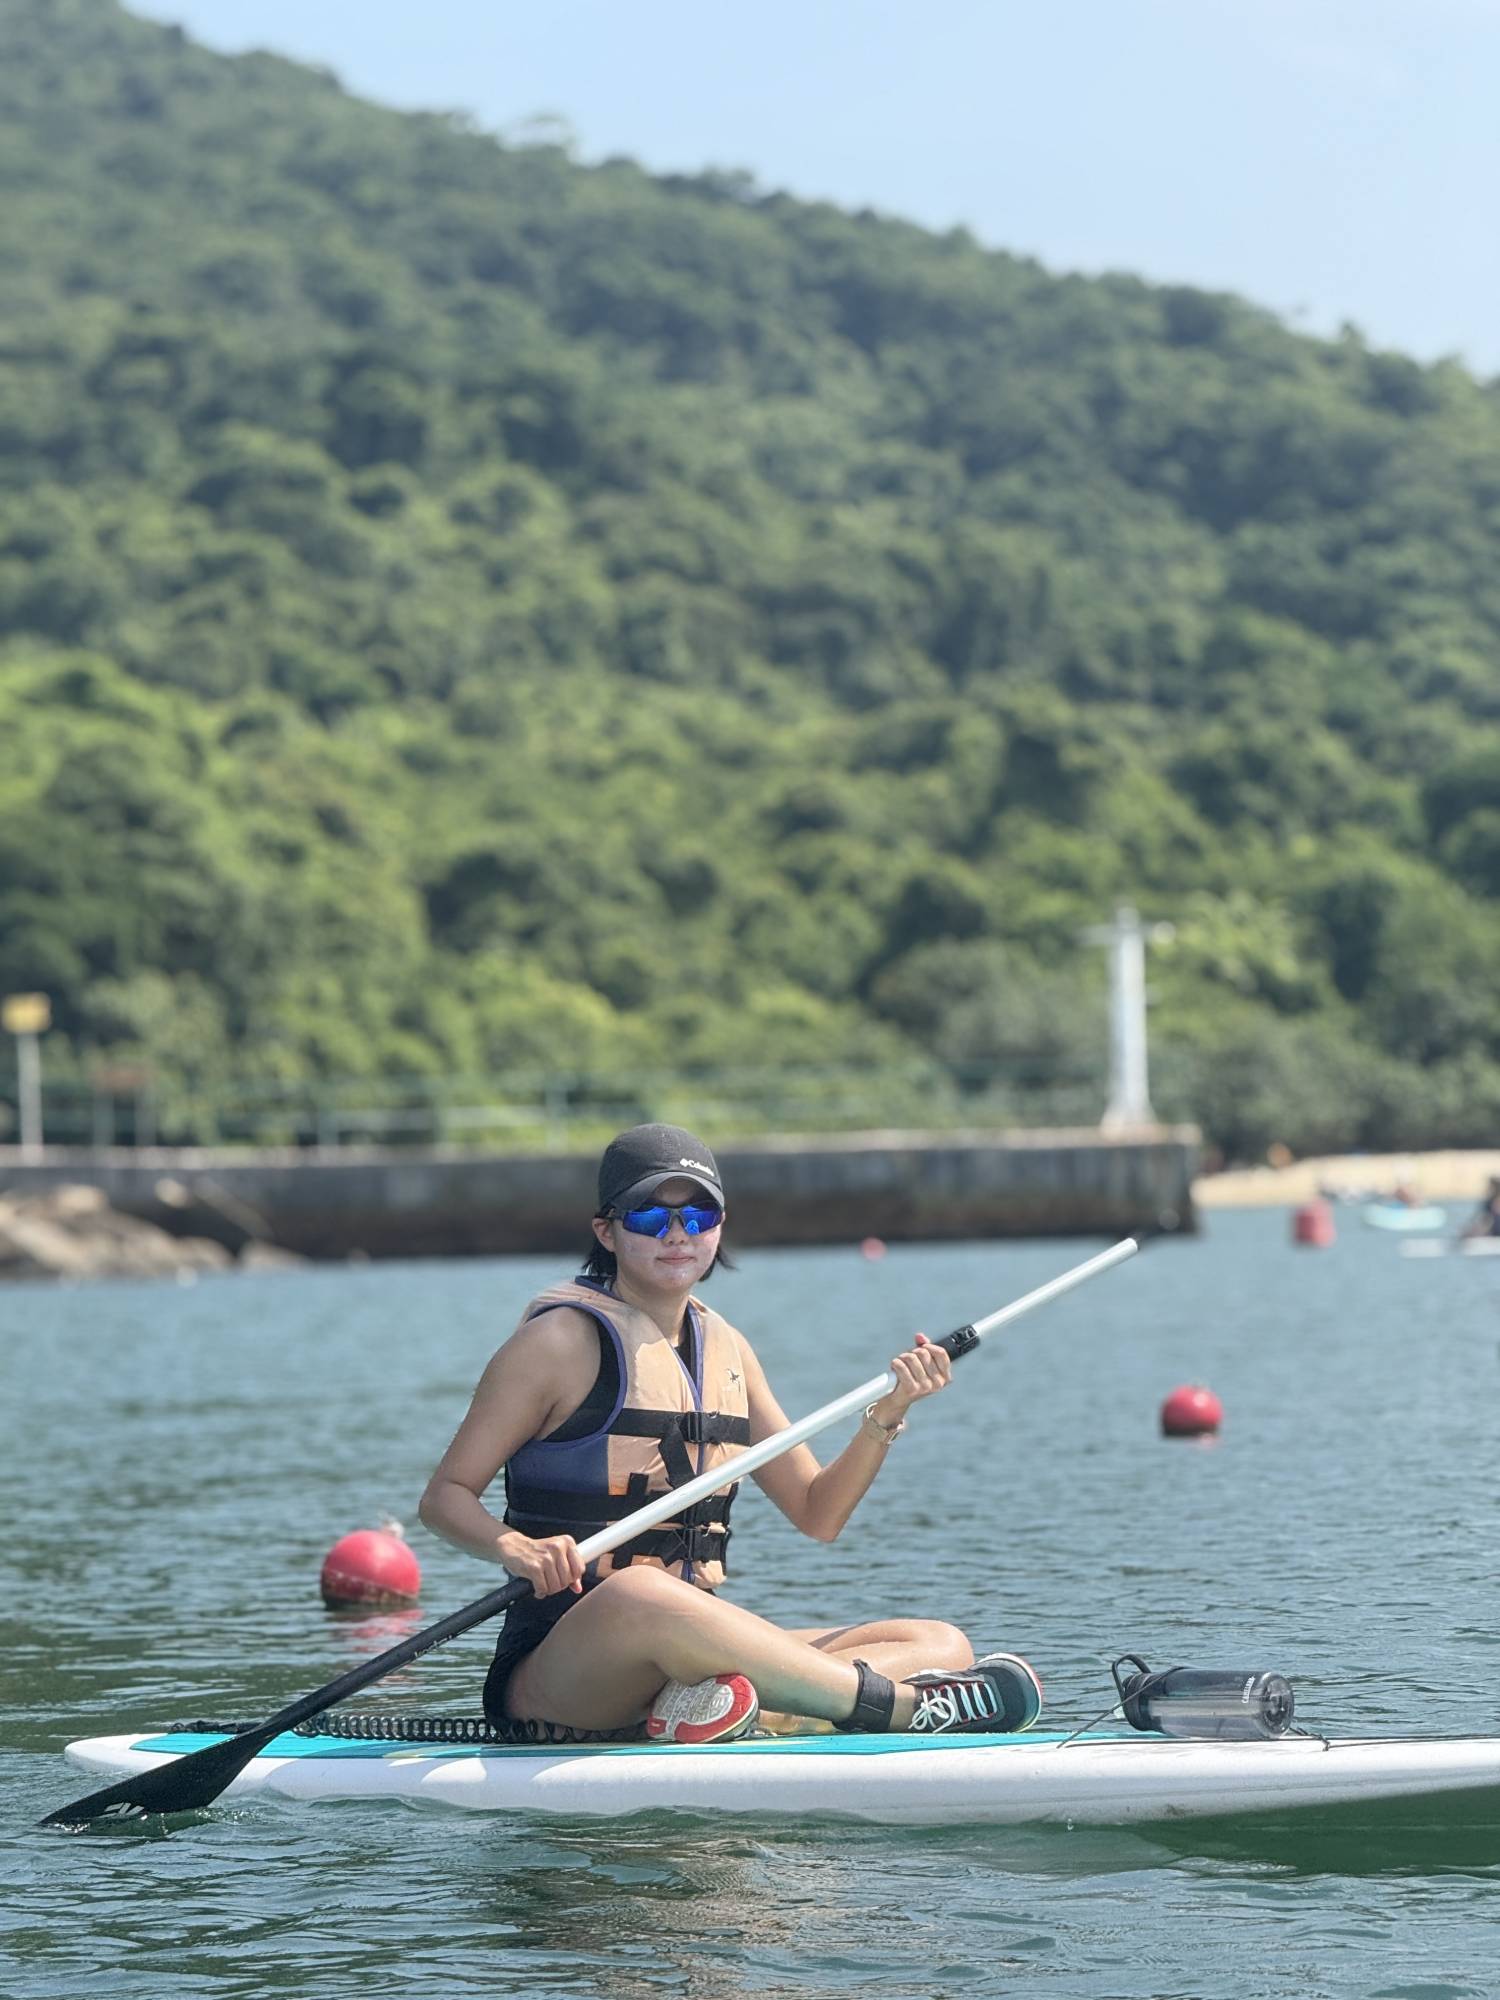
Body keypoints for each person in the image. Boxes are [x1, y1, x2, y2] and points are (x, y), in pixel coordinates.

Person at [419, 1122, 1042, 1744]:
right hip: (563, 1671)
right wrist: (515, 1548)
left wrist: (890, 1411)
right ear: (606, 1231)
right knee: (643, 1592)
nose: (677, 1235)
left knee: (937, 1642)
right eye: (648, 1216)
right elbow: (444, 1496)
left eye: (698, 1215)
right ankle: (901, 1709)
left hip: (689, 1652)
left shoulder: (727, 1349)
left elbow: (817, 1512)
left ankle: (729, 1708)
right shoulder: (555, 1343)